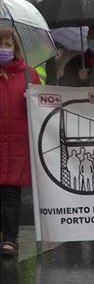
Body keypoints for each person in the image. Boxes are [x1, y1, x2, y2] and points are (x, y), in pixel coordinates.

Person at [0, 28, 41, 257]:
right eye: (1, 45)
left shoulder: (29, 75)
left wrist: (32, 100)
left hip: (17, 144)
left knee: (11, 194)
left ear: (15, 48)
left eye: (8, 45)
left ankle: (9, 239)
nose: (4, 49)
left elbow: (41, 107)